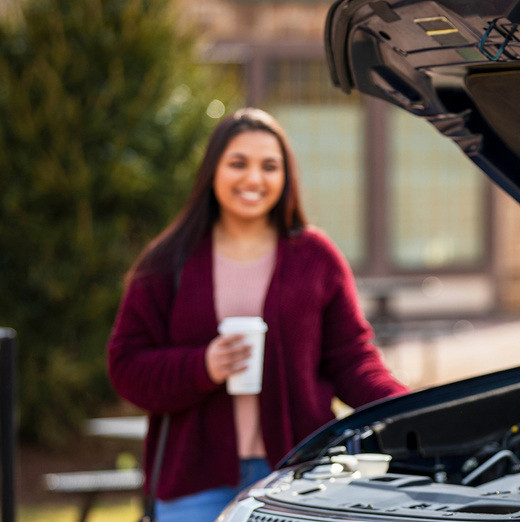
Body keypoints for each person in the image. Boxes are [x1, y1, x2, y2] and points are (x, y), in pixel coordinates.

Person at [107, 108, 408, 521]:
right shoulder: (166, 261)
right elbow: (126, 367)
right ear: (212, 171)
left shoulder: (316, 257)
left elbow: (352, 360)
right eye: (238, 163)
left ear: (286, 177)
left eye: (269, 166)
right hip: (194, 484)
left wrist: (410, 409)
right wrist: (203, 366)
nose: (253, 178)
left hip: (298, 475)